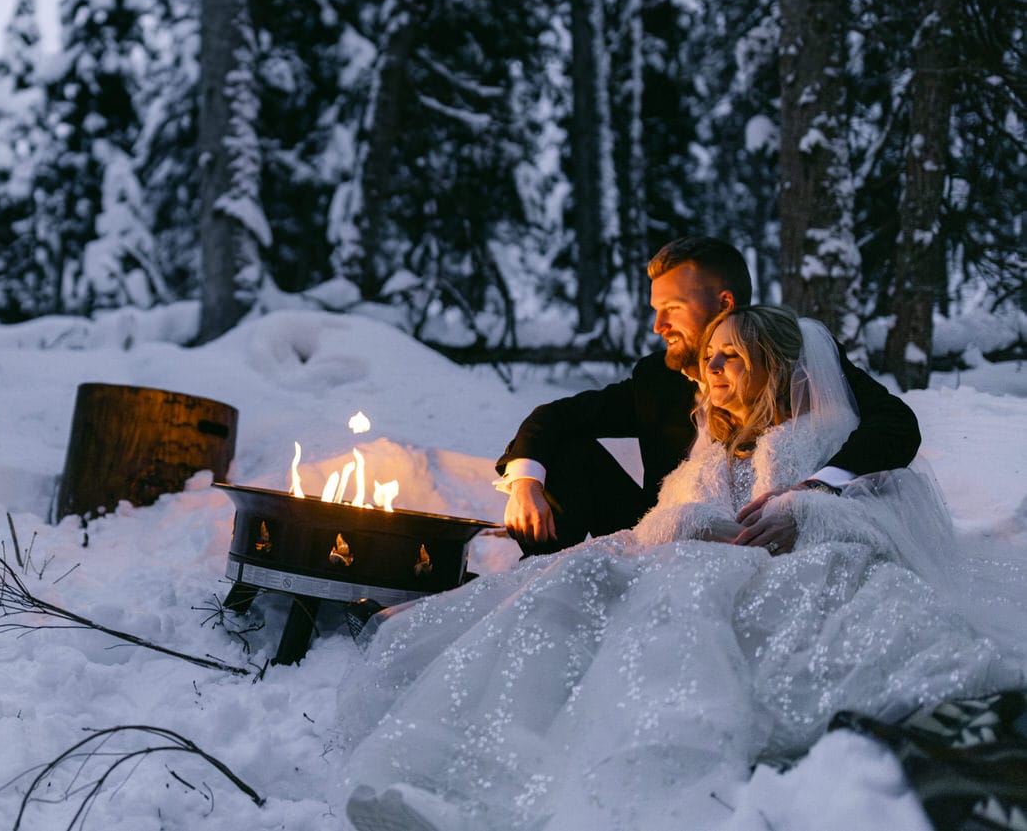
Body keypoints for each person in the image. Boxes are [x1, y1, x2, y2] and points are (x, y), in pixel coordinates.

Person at [339, 306, 1026, 831]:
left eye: (731, 357)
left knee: (675, 623)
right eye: (711, 357)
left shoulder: (830, 434)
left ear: (780, 366)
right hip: (687, 562)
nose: (709, 370)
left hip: (787, 579)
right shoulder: (713, 443)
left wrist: (810, 508)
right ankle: (468, 773)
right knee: (576, 583)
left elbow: (884, 507)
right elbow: (667, 513)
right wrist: (689, 525)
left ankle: (568, 799)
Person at [499, 236, 921, 553]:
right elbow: (556, 417)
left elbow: (896, 423)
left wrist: (814, 492)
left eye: (673, 309)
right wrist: (524, 487)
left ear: (724, 304)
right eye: (655, 310)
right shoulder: (656, 377)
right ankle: (545, 582)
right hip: (662, 537)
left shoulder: (795, 356)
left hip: (770, 539)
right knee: (565, 452)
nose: (657, 325)